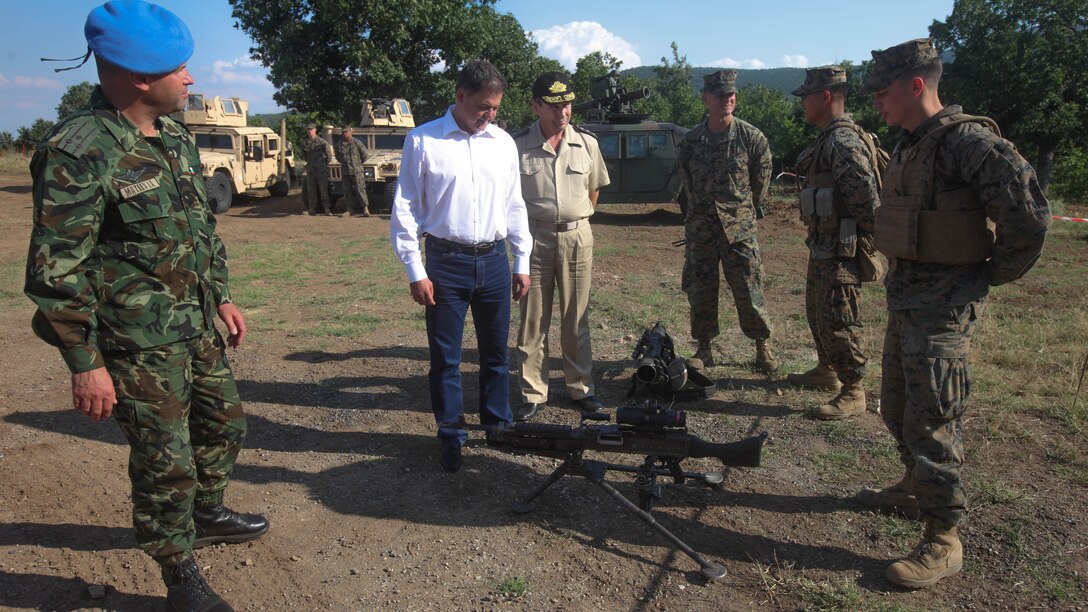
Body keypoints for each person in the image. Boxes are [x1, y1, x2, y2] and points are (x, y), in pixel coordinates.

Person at [24, 2, 270, 610]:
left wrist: (222, 296)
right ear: (139, 77)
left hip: (193, 327)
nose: (191, 80)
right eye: (179, 69)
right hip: (135, 343)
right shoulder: (80, 150)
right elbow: (56, 267)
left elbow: (197, 232)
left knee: (225, 427)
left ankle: (207, 514)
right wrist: (84, 361)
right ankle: (178, 574)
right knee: (165, 463)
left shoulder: (177, 137)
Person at [857, 38, 1050, 588]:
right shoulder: (913, 145)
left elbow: (1029, 215)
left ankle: (944, 539)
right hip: (907, 304)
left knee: (934, 421)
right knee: (897, 407)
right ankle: (914, 485)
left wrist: (986, 273)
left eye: (883, 90)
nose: (876, 101)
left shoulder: (969, 143)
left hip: (942, 312)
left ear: (916, 85)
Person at [389, 59, 532, 472]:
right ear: (459, 96)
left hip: (493, 260)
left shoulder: (502, 142)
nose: (489, 116)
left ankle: (498, 424)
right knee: (446, 357)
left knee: (495, 354)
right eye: (482, 107)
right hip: (445, 263)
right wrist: (415, 270)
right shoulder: (423, 141)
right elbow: (406, 210)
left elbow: (514, 204)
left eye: (495, 109)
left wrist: (520, 259)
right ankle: (451, 433)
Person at [511, 71, 610, 422]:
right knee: (533, 319)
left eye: (566, 103)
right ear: (536, 106)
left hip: (577, 237)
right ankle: (533, 391)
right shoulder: (517, 145)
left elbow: (594, 190)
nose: (562, 112)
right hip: (534, 238)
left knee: (576, 317)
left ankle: (580, 388)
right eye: (553, 105)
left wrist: (574, 219)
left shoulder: (587, 144)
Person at [786, 66, 881, 419]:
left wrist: (866, 238)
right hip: (824, 245)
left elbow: (866, 199)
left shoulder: (842, 141)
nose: (802, 104)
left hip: (842, 247)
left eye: (806, 96)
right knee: (818, 312)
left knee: (840, 318)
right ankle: (827, 370)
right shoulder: (828, 137)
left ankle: (854, 390)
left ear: (825, 96)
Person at [677, 69, 777, 373]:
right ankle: (704, 348)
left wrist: (741, 212)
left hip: (739, 231)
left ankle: (762, 345)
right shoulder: (691, 142)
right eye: (720, 95)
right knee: (701, 290)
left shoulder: (751, 138)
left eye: (731, 94)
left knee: (749, 290)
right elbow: (688, 184)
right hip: (702, 230)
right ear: (706, 98)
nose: (727, 100)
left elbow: (760, 185)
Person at [336, 125, 371, 216]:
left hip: (357, 171)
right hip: (345, 171)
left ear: (350, 132)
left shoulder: (357, 143)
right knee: (347, 191)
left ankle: (365, 208)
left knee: (360, 190)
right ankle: (349, 209)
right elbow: (338, 157)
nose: (345, 133)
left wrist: (357, 164)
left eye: (346, 132)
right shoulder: (339, 145)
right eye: (343, 132)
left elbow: (365, 155)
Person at [301, 122, 334, 215]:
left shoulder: (322, 142)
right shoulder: (304, 143)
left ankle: (327, 208)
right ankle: (312, 209)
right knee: (311, 191)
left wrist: (323, 164)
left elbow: (329, 155)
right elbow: (304, 155)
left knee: (324, 191)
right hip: (311, 170)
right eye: (308, 130)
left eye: (311, 129)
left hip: (321, 170)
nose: (309, 131)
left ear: (315, 130)